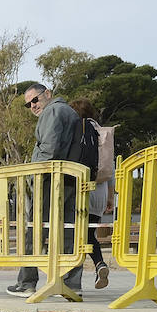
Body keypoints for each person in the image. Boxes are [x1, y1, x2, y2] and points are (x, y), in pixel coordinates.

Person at [7, 83, 84, 296]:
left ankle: (27, 282)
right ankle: (71, 285)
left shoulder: (52, 111)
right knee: (69, 231)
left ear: (47, 94)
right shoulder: (71, 112)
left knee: (35, 230)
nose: (32, 106)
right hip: (71, 179)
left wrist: (33, 173)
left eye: (35, 100)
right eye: (28, 104)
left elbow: (49, 149)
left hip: (51, 180)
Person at [69, 99, 115, 289]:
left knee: (73, 238)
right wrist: (111, 198)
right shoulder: (103, 134)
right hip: (101, 191)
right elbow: (110, 170)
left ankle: (72, 283)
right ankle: (99, 265)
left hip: (81, 190)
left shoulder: (77, 132)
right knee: (88, 234)